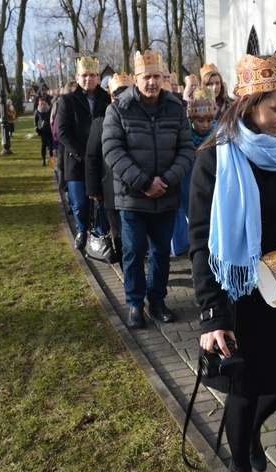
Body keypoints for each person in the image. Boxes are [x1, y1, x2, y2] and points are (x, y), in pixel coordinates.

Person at [189, 49, 276, 472]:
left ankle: (253, 434)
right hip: (239, 291)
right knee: (247, 387)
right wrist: (212, 316)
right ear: (250, 104)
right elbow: (202, 240)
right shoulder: (216, 158)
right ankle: (239, 468)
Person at [102, 49, 194, 328]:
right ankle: (134, 303)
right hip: (132, 197)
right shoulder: (118, 108)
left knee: (161, 253)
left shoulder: (175, 108)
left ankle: (157, 301)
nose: (152, 82)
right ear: (135, 78)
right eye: (146, 77)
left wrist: (165, 180)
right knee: (132, 252)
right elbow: (112, 149)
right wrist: (143, 182)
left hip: (165, 196)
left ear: (163, 78)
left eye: (156, 76)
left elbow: (186, 148)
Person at [56, 55, 111, 251]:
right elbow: (62, 131)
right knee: (80, 202)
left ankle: (101, 233)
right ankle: (82, 230)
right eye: (84, 75)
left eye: (93, 75)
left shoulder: (107, 98)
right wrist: (81, 154)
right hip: (77, 160)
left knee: (103, 201)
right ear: (78, 78)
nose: (89, 79)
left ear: (98, 77)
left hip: (102, 160)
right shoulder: (67, 100)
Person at [86, 73, 134, 268]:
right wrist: (93, 189)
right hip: (111, 189)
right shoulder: (100, 122)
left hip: (137, 187)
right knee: (119, 232)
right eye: (116, 95)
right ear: (111, 97)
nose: (121, 98)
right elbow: (92, 156)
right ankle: (127, 269)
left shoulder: (142, 118)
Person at [171, 87, 217, 256]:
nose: (205, 125)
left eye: (209, 120)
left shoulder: (218, 134)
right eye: (200, 120)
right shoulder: (183, 135)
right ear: (191, 119)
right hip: (187, 182)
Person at [34, 100, 53, 167]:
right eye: (41, 104)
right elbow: (35, 120)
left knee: (51, 145)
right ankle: (43, 159)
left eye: (43, 104)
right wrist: (36, 127)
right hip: (43, 130)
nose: (42, 105)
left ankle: (51, 159)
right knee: (43, 145)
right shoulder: (37, 111)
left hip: (50, 129)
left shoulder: (50, 109)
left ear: (46, 103)